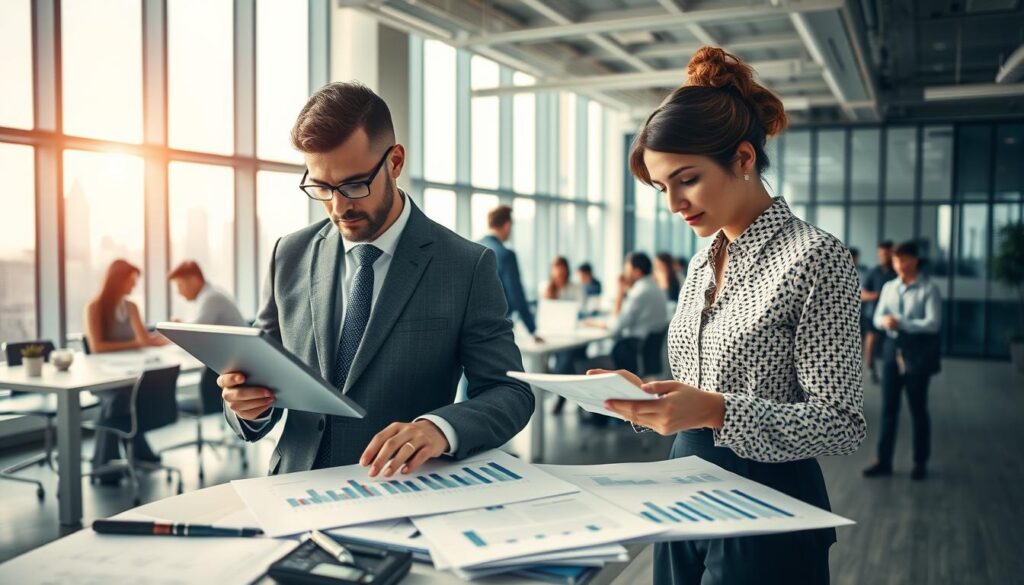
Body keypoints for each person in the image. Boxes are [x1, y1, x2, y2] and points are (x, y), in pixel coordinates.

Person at [599, 47, 865, 584]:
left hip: (769, 504)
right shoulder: (702, 261)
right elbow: (701, 388)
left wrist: (718, 412)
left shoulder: (816, 256)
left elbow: (842, 423)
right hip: (682, 490)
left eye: (686, 179)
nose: (673, 203)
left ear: (743, 159)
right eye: (661, 187)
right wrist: (648, 401)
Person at [217, 82, 534, 477]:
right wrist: (246, 407)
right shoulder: (289, 254)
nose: (338, 206)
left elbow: (511, 393)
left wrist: (438, 429)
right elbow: (259, 375)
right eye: (321, 187)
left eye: (353, 185)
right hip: (294, 492)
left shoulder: (466, 266)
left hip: (403, 490)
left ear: (395, 162)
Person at [83, 259, 169, 482]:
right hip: (103, 378)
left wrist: (164, 337)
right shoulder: (95, 307)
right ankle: (132, 457)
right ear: (117, 280)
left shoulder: (131, 307)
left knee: (130, 397)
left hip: (128, 374)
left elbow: (144, 340)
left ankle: (104, 465)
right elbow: (97, 347)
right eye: (131, 281)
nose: (133, 286)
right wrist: (136, 344)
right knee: (119, 399)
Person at [863, 241, 942, 481]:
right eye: (897, 260)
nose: (900, 265)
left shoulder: (928, 288)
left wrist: (902, 323)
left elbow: (933, 323)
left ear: (916, 260)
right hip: (891, 351)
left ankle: (920, 462)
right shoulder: (889, 287)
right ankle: (883, 461)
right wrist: (886, 322)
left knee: (918, 410)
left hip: (917, 354)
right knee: (889, 410)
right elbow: (877, 318)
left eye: (904, 260)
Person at [586, 252, 668, 372]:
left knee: (590, 362)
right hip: (647, 353)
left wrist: (596, 323)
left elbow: (615, 327)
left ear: (637, 271)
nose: (624, 273)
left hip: (634, 353)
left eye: (627, 269)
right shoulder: (656, 289)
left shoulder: (638, 293)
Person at [479, 206, 541, 341]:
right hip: (498, 328)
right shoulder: (506, 255)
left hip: (475, 328)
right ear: (507, 225)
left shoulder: (474, 247)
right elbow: (516, 296)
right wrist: (532, 330)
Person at [168, 260, 246, 327]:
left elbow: (196, 332)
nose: (179, 292)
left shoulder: (211, 298)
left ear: (193, 280)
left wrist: (177, 327)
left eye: (180, 285)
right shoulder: (207, 295)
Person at [861, 241, 897, 384]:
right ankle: (870, 366)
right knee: (871, 339)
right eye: (881, 254)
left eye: (887, 253)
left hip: (893, 315)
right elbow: (862, 294)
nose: (884, 256)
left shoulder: (897, 271)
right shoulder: (873, 272)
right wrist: (878, 295)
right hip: (873, 313)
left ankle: (893, 370)